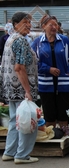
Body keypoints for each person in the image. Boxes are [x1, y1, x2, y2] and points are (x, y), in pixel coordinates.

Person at [0, 12, 39, 164]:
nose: (28, 25)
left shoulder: (10, 39)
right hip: (21, 88)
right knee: (27, 121)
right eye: (25, 22)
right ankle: (22, 155)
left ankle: (9, 152)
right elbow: (19, 67)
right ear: (16, 24)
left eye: (29, 22)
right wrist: (28, 91)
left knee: (13, 120)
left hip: (11, 88)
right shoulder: (21, 41)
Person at [31, 14, 69, 128]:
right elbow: (32, 63)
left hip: (63, 84)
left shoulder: (64, 41)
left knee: (63, 114)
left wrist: (68, 72)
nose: (54, 27)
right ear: (43, 26)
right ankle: (50, 136)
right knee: (49, 114)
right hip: (45, 84)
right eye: (51, 25)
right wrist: (48, 69)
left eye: (56, 25)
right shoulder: (37, 43)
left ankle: (64, 135)